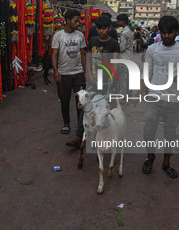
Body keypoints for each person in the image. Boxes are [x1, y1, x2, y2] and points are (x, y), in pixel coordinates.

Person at [128, 16, 179, 178]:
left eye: (170, 33)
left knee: (170, 134)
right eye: (163, 33)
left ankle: (166, 163)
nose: (166, 36)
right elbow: (146, 74)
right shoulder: (153, 49)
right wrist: (138, 94)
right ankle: (150, 157)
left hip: (174, 100)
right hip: (155, 99)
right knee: (149, 131)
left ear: (176, 33)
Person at [65, 15, 120, 147]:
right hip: (93, 80)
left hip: (107, 82)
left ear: (110, 28)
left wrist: (113, 77)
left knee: (107, 110)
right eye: (99, 28)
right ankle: (79, 137)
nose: (101, 31)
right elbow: (88, 58)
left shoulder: (114, 43)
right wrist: (88, 73)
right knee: (87, 108)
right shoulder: (93, 40)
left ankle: (108, 138)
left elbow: (116, 62)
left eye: (104, 29)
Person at [52, 10, 86, 135]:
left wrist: (85, 72)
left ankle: (80, 127)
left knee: (80, 101)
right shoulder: (58, 36)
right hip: (63, 74)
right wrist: (55, 71)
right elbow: (54, 54)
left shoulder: (80, 35)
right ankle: (66, 123)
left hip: (78, 73)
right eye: (75, 21)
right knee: (64, 100)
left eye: (78, 21)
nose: (78, 23)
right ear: (68, 21)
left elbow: (83, 54)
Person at [116, 14, 133, 99]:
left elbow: (122, 48)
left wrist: (116, 45)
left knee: (123, 78)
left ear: (122, 21)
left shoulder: (124, 33)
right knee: (127, 77)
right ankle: (128, 93)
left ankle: (123, 96)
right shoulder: (129, 31)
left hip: (123, 57)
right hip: (129, 57)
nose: (118, 23)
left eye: (119, 21)